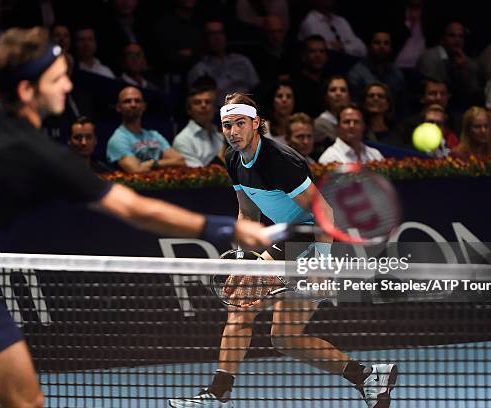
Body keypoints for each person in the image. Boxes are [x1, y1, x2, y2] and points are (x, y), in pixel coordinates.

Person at [0, 27, 270, 407]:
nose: (67, 86)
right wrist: (222, 227)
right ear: (26, 90)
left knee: (27, 401)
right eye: (56, 79)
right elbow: (133, 208)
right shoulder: (37, 153)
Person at [169, 93, 396, 408]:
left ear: (256, 123)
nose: (233, 131)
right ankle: (367, 376)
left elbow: (324, 213)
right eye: (227, 125)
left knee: (241, 306)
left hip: (308, 237)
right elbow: (248, 215)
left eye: (240, 124)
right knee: (285, 337)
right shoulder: (232, 158)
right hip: (285, 239)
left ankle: (217, 394)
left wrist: (321, 265)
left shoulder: (280, 160)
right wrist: (240, 260)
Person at [106, 85, 186, 172]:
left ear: (144, 106)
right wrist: (165, 163)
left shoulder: (154, 135)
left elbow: (181, 161)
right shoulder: (118, 139)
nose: (133, 104)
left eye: (137, 101)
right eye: (127, 101)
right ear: (118, 108)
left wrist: (151, 164)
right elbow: (136, 170)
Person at [187, 20, 259, 106]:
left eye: (220, 33)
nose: (217, 37)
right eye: (212, 34)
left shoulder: (242, 61)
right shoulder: (199, 70)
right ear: (204, 38)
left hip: (248, 112)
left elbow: (257, 90)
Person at [416, 21, 480, 113]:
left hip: (458, 108)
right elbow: (434, 89)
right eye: (452, 36)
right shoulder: (429, 58)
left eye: (460, 36)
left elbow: (472, 92)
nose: (457, 40)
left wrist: (462, 71)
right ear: (442, 39)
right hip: (431, 105)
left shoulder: (467, 62)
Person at [347, 30, 407, 110]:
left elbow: (402, 105)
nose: (382, 46)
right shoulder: (356, 73)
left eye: (386, 43)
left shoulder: (396, 73)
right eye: (377, 43)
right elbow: (355, 105)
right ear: (369, 46)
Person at [172, 81, 225, 167]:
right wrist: (225, 145)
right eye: (197, 102)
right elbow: (200, 176)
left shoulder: (220, 135)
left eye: (208, 102)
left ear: (215, 108)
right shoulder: (183, 140)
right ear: (189, 110)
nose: (203, 105)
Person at [318, 103, 384, 164]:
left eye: (356, 122)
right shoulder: (329, 158)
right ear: (338, 127)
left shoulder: (375, 154)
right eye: (347, 122)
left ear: (363, 126)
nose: (351, 126)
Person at [313, 75, 351, 154]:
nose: (338, 93)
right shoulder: (319, 124)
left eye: (343, 90)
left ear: (349, 96)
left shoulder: (356, 121)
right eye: (333, 90)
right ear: (326, 96)